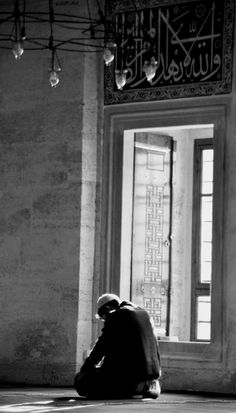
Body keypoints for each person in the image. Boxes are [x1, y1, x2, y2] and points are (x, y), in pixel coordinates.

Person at [74, 293, 161, 399]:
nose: (105, 321)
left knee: (80, 380)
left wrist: (85, 370)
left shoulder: (115, 315)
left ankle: (126, 389)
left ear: (108, 308)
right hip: (151, 380)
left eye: (104, 317)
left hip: (128, 380)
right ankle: (143, 388)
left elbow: (100, 349)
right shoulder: (144, 313)